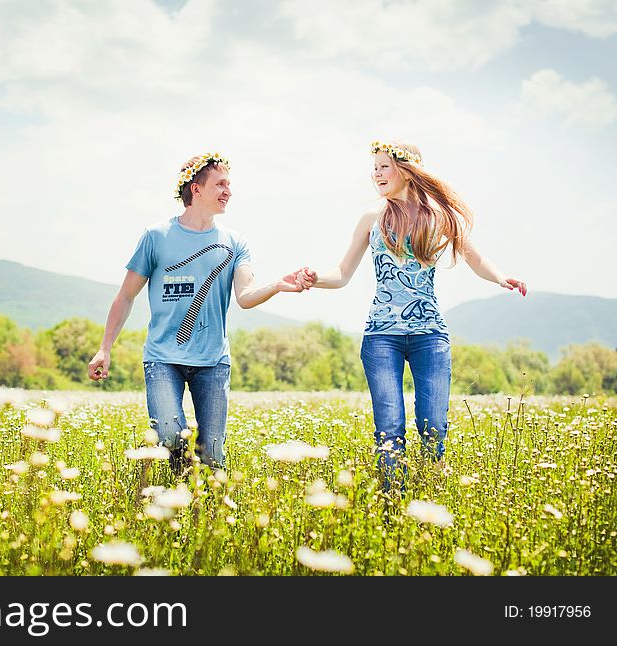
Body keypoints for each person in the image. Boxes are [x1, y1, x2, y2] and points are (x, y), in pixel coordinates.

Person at [303, 140, 527, 492]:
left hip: (430, 336)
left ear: (407, 170)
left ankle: (430, 500)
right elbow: (343, 273)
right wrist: (316, 279)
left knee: (434, 424)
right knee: (390, 427)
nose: (376, 173)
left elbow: (475, 258)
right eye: (374, 167)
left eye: (383, 166)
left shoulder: (438, 217)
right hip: (381, 337)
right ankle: (393, 502)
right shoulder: (371, 218)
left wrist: (501, 277)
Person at [88, 152, 313, 473]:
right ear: (196, 189)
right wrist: (104, 349)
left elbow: (246, 297)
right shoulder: (156, 237)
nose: (229, 191)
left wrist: (278, 284)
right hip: (163, 358)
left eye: (229, 185)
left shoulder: (234, 242)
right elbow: (125, 296)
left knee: (213, 458)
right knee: (169, 433)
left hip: (213, 362)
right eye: (221, 184)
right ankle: (182, 488)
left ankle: (202, 508)